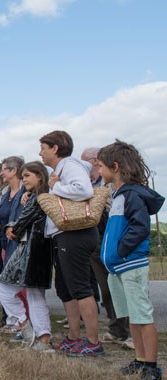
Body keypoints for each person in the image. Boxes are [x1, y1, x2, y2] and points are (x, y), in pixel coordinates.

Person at [98, 140, 164, 379]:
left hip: (130, 265)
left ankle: (151, 367)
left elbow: (140, 228)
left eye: (101, 166)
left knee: (143, 317)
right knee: (133, 317)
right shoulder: (117, 196)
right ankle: (139, 359)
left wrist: (121, 251)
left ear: (115, 167)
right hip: (118, 267)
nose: (98, 171)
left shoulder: (132, 195)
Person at [39, 130, 102, 356]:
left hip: (76, 233)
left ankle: (93, 341)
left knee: (80, 288)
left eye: (43, 148)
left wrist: (55, 186)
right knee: (65, 288)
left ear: (55, 148)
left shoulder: (71, 165)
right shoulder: (59, 170)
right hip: (63, 234)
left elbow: (84, 190)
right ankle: (74, 337)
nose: (40, 153)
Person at [0, 161, 54, 351]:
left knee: (4, 286)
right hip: (39, 249)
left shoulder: (38, 197)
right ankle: (43, 337)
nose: (24, 180)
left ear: (39, 176)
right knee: (34, 295)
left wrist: (11, 227)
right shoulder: (39, 195)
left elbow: (22, 222)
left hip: (31, 250)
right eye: (23, 177)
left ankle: (24, 323)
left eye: (27, 176)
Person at [81, 147, 131, 345]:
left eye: (85, 162)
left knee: (118, 284)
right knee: (106, 286)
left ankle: (124, 328)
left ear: (95, 161)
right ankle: (116, 327)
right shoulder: (90, 183)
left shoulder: (112, 184)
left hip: (110, 237)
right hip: (96, 239)